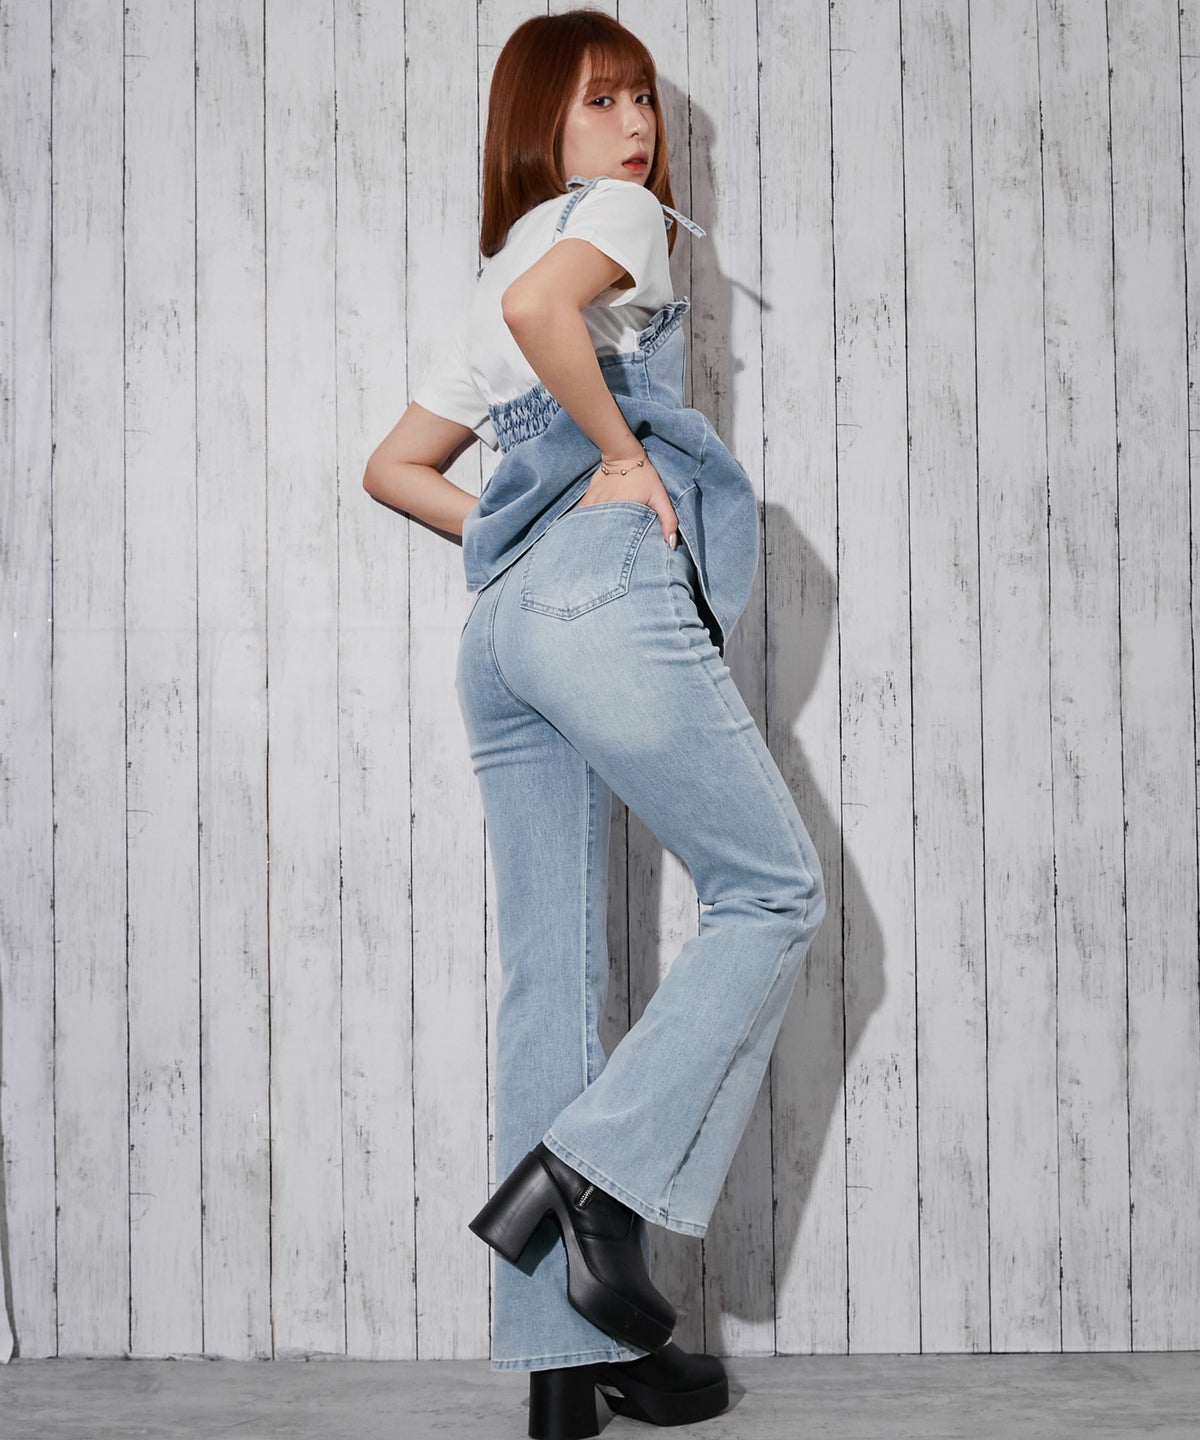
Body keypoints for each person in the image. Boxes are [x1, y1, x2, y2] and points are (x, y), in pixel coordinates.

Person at [363, 10, 826, 1437]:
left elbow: (396, 468)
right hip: (597, 607)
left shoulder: (494, 266)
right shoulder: (617, 223)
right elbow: (542, 318)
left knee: (550, 983)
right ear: (542, 131)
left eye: (641, 100)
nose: (635, 128)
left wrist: (525, 521)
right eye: (599, 103)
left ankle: (568, 1373)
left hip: (501, 634)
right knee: (774, 892)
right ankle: (590, 1182)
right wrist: (621, 460)